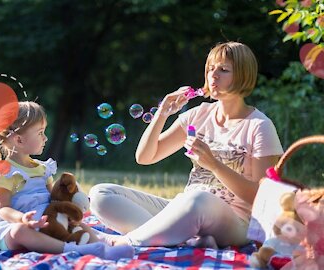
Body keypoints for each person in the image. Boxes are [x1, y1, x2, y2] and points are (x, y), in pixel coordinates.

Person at [89, 42, 284, 248]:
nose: (213, 75)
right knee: (101, 194)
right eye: (210, 69)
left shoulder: (259, 126)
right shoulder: (198, 115)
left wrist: (215, 165)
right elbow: (145, 157)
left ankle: (121, 242)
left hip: (236, 223)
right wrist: (163, 112)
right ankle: (183, 239)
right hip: (186, 208)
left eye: (223, 70)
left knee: (197, 200)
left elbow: (263, 198)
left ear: (244, 75)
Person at [0, 101, 134, 259]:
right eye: (40, 133)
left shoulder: (43, 168)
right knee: (20, 232)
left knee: (75, 222)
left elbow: (54, 200)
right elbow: (2, 209)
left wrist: (72, 199)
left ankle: (108, 243)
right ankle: (70, 249)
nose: (45, 138)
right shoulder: (6, 171)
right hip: (16, 224)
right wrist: (22, 219)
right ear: (19, 140)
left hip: (49, 220)